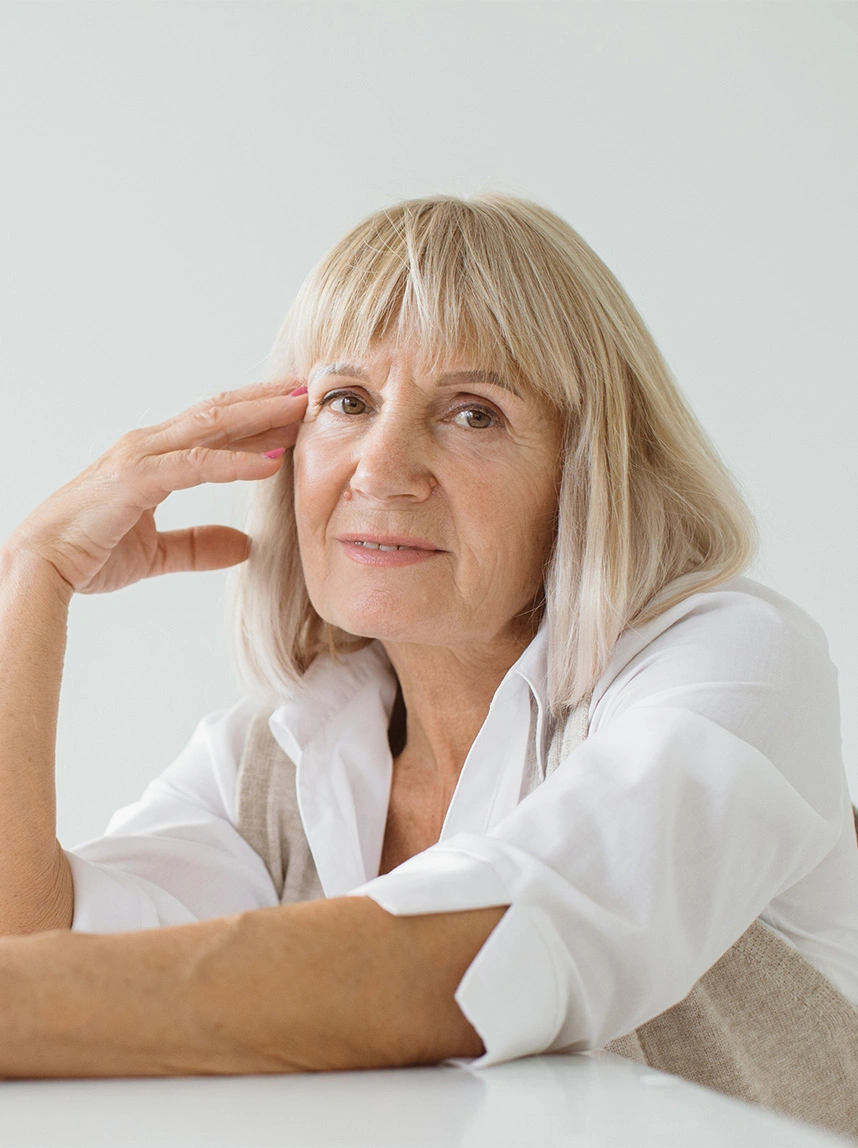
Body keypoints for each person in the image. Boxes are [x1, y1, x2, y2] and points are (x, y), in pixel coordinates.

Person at [1, 194, 856, 1134]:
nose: (381, 466)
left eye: (472, 413)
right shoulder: (267, 760)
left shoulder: (729, 665)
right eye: (346, 402)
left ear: (586, 470)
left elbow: (487, 957)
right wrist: (31, 579)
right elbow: (35, 953)